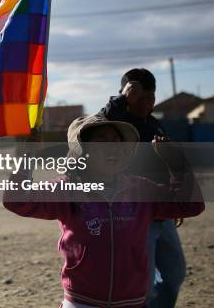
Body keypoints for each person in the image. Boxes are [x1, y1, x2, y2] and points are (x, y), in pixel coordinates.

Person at [3, 114, 204, 308]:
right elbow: (17, 200)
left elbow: (189, 205)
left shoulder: (140, 189)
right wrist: (26, 158)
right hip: (81, 302)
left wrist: (177, 164)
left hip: (133, 302)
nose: (112, 148)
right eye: (101, 142)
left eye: (117, 141)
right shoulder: (66, 189)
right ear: (82, 151)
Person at [98, 68, 186, 307]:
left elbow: (164, 163)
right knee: (142, 287)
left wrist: (173, 200)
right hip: (134, 216)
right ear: (127, 95)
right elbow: (95, 125)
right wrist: (120, 99)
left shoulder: (156, 126)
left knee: (175, 274)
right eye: (140, 97)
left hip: (161, 213)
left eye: (151, 97)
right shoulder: (115, 126)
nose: (147, 103)